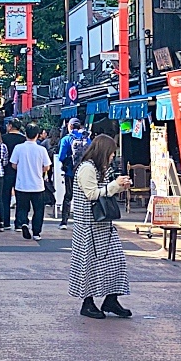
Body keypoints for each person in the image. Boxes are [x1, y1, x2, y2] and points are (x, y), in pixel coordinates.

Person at [69, 134, 132, 320]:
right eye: (111, 153)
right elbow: (92, 194)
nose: (113, 156)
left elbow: (103, 191)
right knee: (88, 265)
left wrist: (120, 186)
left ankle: (111, 299)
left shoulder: (99, 168)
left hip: (102, 225)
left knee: (116, 261)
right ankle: (87, 303)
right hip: (88, 226)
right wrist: (115, 185)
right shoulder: (87, 168)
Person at [11, 124, 52, 240]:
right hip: (37, 185)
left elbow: (13, 164)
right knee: (38, 209)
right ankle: (36, 232)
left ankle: (23, 222)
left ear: (25, 134)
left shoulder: (18, 148)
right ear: (38, 135)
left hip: (21, 184)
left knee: (22, 207)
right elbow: (47, 166)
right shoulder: (41, 150)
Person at [58, 118, 89, 230]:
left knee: (68, 196)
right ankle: (84, 221)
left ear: (70, 126)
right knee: (84, 196)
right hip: (84, 172)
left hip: (70, 172)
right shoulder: (86, 139)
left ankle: (64, 222)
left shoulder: (66, 139)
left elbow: (61, 156)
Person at [0, 118, 26, 229]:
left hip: (6, 170)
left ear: (10, 126)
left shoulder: (3, 138)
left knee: (5, 197)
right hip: (20, 171)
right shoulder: (23, 139)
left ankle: (6, 222)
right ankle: (19, 223)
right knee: (20, 197)